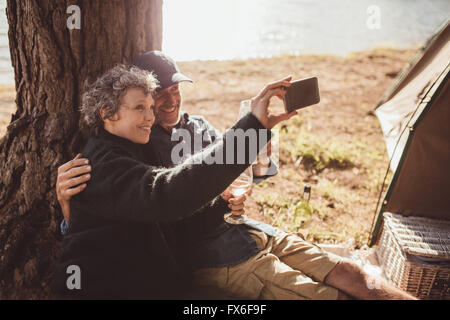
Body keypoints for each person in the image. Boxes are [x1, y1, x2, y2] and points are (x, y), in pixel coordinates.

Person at [56, 52, 417, 300]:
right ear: (108, 113)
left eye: (168, 95)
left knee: (358, 277)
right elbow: (167, 193)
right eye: (145, 104)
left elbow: (246, 173)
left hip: (247, 230)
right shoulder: (134, 150)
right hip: (217, 254)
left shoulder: (174, 130)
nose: (156, 111)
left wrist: (256, 143)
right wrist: (70, 212)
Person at [52, 64, 293, 299]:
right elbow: (168, 195)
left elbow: (171, 225)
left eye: (149, 107)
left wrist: (220, 203)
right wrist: (250, 129)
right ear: (106, 112)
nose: (149, 116)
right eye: (139, 108)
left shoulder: (136, 149)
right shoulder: (102, 164)